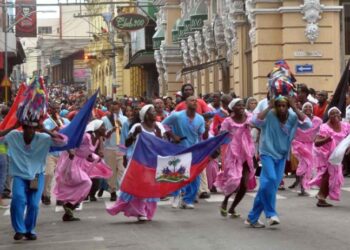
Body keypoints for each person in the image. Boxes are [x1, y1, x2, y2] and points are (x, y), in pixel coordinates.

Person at [246, 96, 311, 228]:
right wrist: (269, 106)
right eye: (279, 105)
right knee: (270, 178)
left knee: (269, 186)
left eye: (284, 106)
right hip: (267, 153)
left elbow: (308, 125)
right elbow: (254, 121)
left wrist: (295, 108)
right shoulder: (269, 114)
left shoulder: (292, 116)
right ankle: (271, 213)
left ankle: (252, 217)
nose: (281, 108)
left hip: (281, 155)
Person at [0, 120, 67, 240]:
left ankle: (29, 230)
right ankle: (20, 229)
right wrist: (13, 127)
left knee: (34, 205)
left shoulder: (43, 137)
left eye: (33, 128)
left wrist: (45, 129)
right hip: (19, 176)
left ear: (36, 129)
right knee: (18, 201)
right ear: (23, 128)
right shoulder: (13, 135)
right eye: (27, 128)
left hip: (37, 176)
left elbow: (63, 141)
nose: (30, 131)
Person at [106, 104, 166, 221]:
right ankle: (140, 211)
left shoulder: (158, 126)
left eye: (154, 111)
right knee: (138, 185)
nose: (155, 113)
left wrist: (159, 134)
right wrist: (134, 135)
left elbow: (163, 144)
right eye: (152, 112)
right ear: (146, 115)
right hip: (139, 161)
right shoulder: (137, 126)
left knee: (150, 187)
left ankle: (148, 210)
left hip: (153, 162)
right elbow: (127, 143)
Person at [54, 120, 112, 221]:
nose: (105, 128)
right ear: (97, 128)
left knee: (83, 184)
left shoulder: (97, 140)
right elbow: (70, 142)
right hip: (72, 162)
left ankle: (69, 211)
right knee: (86, 182)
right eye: (103, 126)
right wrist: (70, 151)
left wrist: (93, 157)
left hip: (81, 164)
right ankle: (69, 205)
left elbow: (87, 154)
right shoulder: (86, 136)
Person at [163, 96, 205, 209]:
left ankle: (187, 200)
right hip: (179, 148)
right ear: (186, 103)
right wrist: (173, 135)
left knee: (195, 175)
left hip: (194, 150)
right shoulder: (177, 116)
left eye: (196, 101)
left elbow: (202, 135)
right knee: (177, 174)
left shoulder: (200, 119)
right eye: (192, 100)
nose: (195, 102)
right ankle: (176, 195)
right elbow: (163, 125)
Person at [215, 98, 255, 218]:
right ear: (232, 108)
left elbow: (258, 124)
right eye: (238, 105)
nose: (242, 107)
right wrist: (216, 148)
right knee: (234, 180)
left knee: (244, 184)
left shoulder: (249, 117)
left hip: (248, 152)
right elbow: (221, 136)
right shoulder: (228, 121)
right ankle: (225, 200)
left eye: (243, 105)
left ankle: (232, 208)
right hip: (234, 153)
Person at [309, 107, 350, 207]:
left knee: (334, 176)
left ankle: (321, 196)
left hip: (337, 155)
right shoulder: (325, 127)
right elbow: (317, 142)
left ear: (340, 115)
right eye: (332, 114)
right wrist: (327, 139)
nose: (335, 115)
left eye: (337, 113)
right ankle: (321, 197)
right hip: (325, 154)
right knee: (328, 175)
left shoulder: (345, 126)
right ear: (329, 116)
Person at [41, 104, 70, 205]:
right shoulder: (47, 122)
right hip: (51, 152)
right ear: (50, 110)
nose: (56, 110)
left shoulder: (65, 121)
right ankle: (46, 195)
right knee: (49, 174)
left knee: (61, 176)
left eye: (57, 108)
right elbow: (45, 133)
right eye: (54, 108)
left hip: (62, 152)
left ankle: (60, 197)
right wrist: (54, 129)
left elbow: (69, 131)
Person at [291, 102, 322, 196]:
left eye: (310, 107)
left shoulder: (318, 120)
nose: (308, 108)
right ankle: (302, 187)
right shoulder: (296, 119)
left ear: (312, 109)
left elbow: (321, 132)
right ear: (302, 109)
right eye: (306, 107)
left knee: (310, 165)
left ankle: (304, 186)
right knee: (304, 164)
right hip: (299, 145)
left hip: (311, 145)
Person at [101, 101, 127, 201]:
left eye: (116, 109)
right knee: (111, 171)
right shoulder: (104, 119)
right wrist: (112, 130)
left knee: (121, 170)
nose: (114, 112)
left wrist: (121, 128)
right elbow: (104, 135)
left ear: (119, 108)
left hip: (121, 148)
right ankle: (112, 190)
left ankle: (121, 190)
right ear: (109, 109)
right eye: (112, 110)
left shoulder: (124, 119)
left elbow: (126, 134)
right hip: (109, 148)